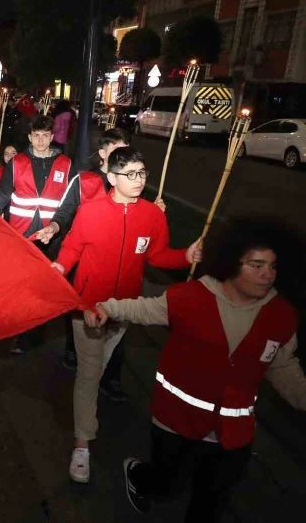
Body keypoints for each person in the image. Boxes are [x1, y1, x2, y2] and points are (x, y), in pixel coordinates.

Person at [84, 216, 306, 522]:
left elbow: (282, 365)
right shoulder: (189, 298)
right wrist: (107, 308)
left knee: (211, 501)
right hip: (175, 420)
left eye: (273, 267)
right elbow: (143, 308)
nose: (267, 275)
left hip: (233, 433)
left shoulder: (282, 316)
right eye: (257, 265)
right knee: (167, 485)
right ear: (230, 262)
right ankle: (140, 475)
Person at [51, 146, 202, 484]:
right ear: (111, 177)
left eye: (142, 173)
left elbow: (159, 256)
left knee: (99, 367)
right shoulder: (89, 212)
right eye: (130, 174)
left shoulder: (152, 215)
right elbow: (72, 248)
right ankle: (82, 446)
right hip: (87, 308)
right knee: (90, 374)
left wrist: (186, 255)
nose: (138, 180)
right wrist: (58, 269)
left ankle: (85, 409)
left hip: (126, 309)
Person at [34, 127, 139, 398]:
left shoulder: (132, 181)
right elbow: (65, 211)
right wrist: (54, 228)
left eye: (126, 148)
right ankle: (72, 350)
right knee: (80, 309)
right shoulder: (85, 182)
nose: (122, 154)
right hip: (83, 259)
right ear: (103, 154)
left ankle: (112, 376)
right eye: (117, 149)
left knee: (118, 318)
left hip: (118, 263)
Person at [0, 115, 72, 248]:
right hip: (20, 229)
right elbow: (3, 191)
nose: (40, 140)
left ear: (52, 137)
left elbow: (69, 202)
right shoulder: (17, 162)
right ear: (30, 137)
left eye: (45, 135)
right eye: (36, 135)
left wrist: (57, 225)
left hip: (51, 233)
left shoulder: (66, 164)